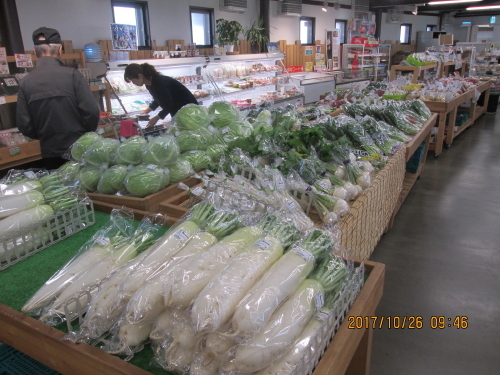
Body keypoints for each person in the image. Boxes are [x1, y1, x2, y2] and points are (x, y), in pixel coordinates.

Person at [16, 27, 99, 169]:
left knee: (58, 189)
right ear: (60, 50)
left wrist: (46, 136)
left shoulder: (25, 82)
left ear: (35, 52)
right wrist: (84, 136)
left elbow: (24, 124)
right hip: (80, 150)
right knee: (84, 189)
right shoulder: (73, 75)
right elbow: (91, 112)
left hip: (50, 152)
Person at [124, 63, 198, 127]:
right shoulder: (149, 84)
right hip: (179, 111)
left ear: (140, 76)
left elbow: (169, 105)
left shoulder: (159, 82)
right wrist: (147, 111)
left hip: (189, 111)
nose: (134, 83)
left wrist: (156, 118)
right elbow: (158, 99)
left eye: (133, 81)